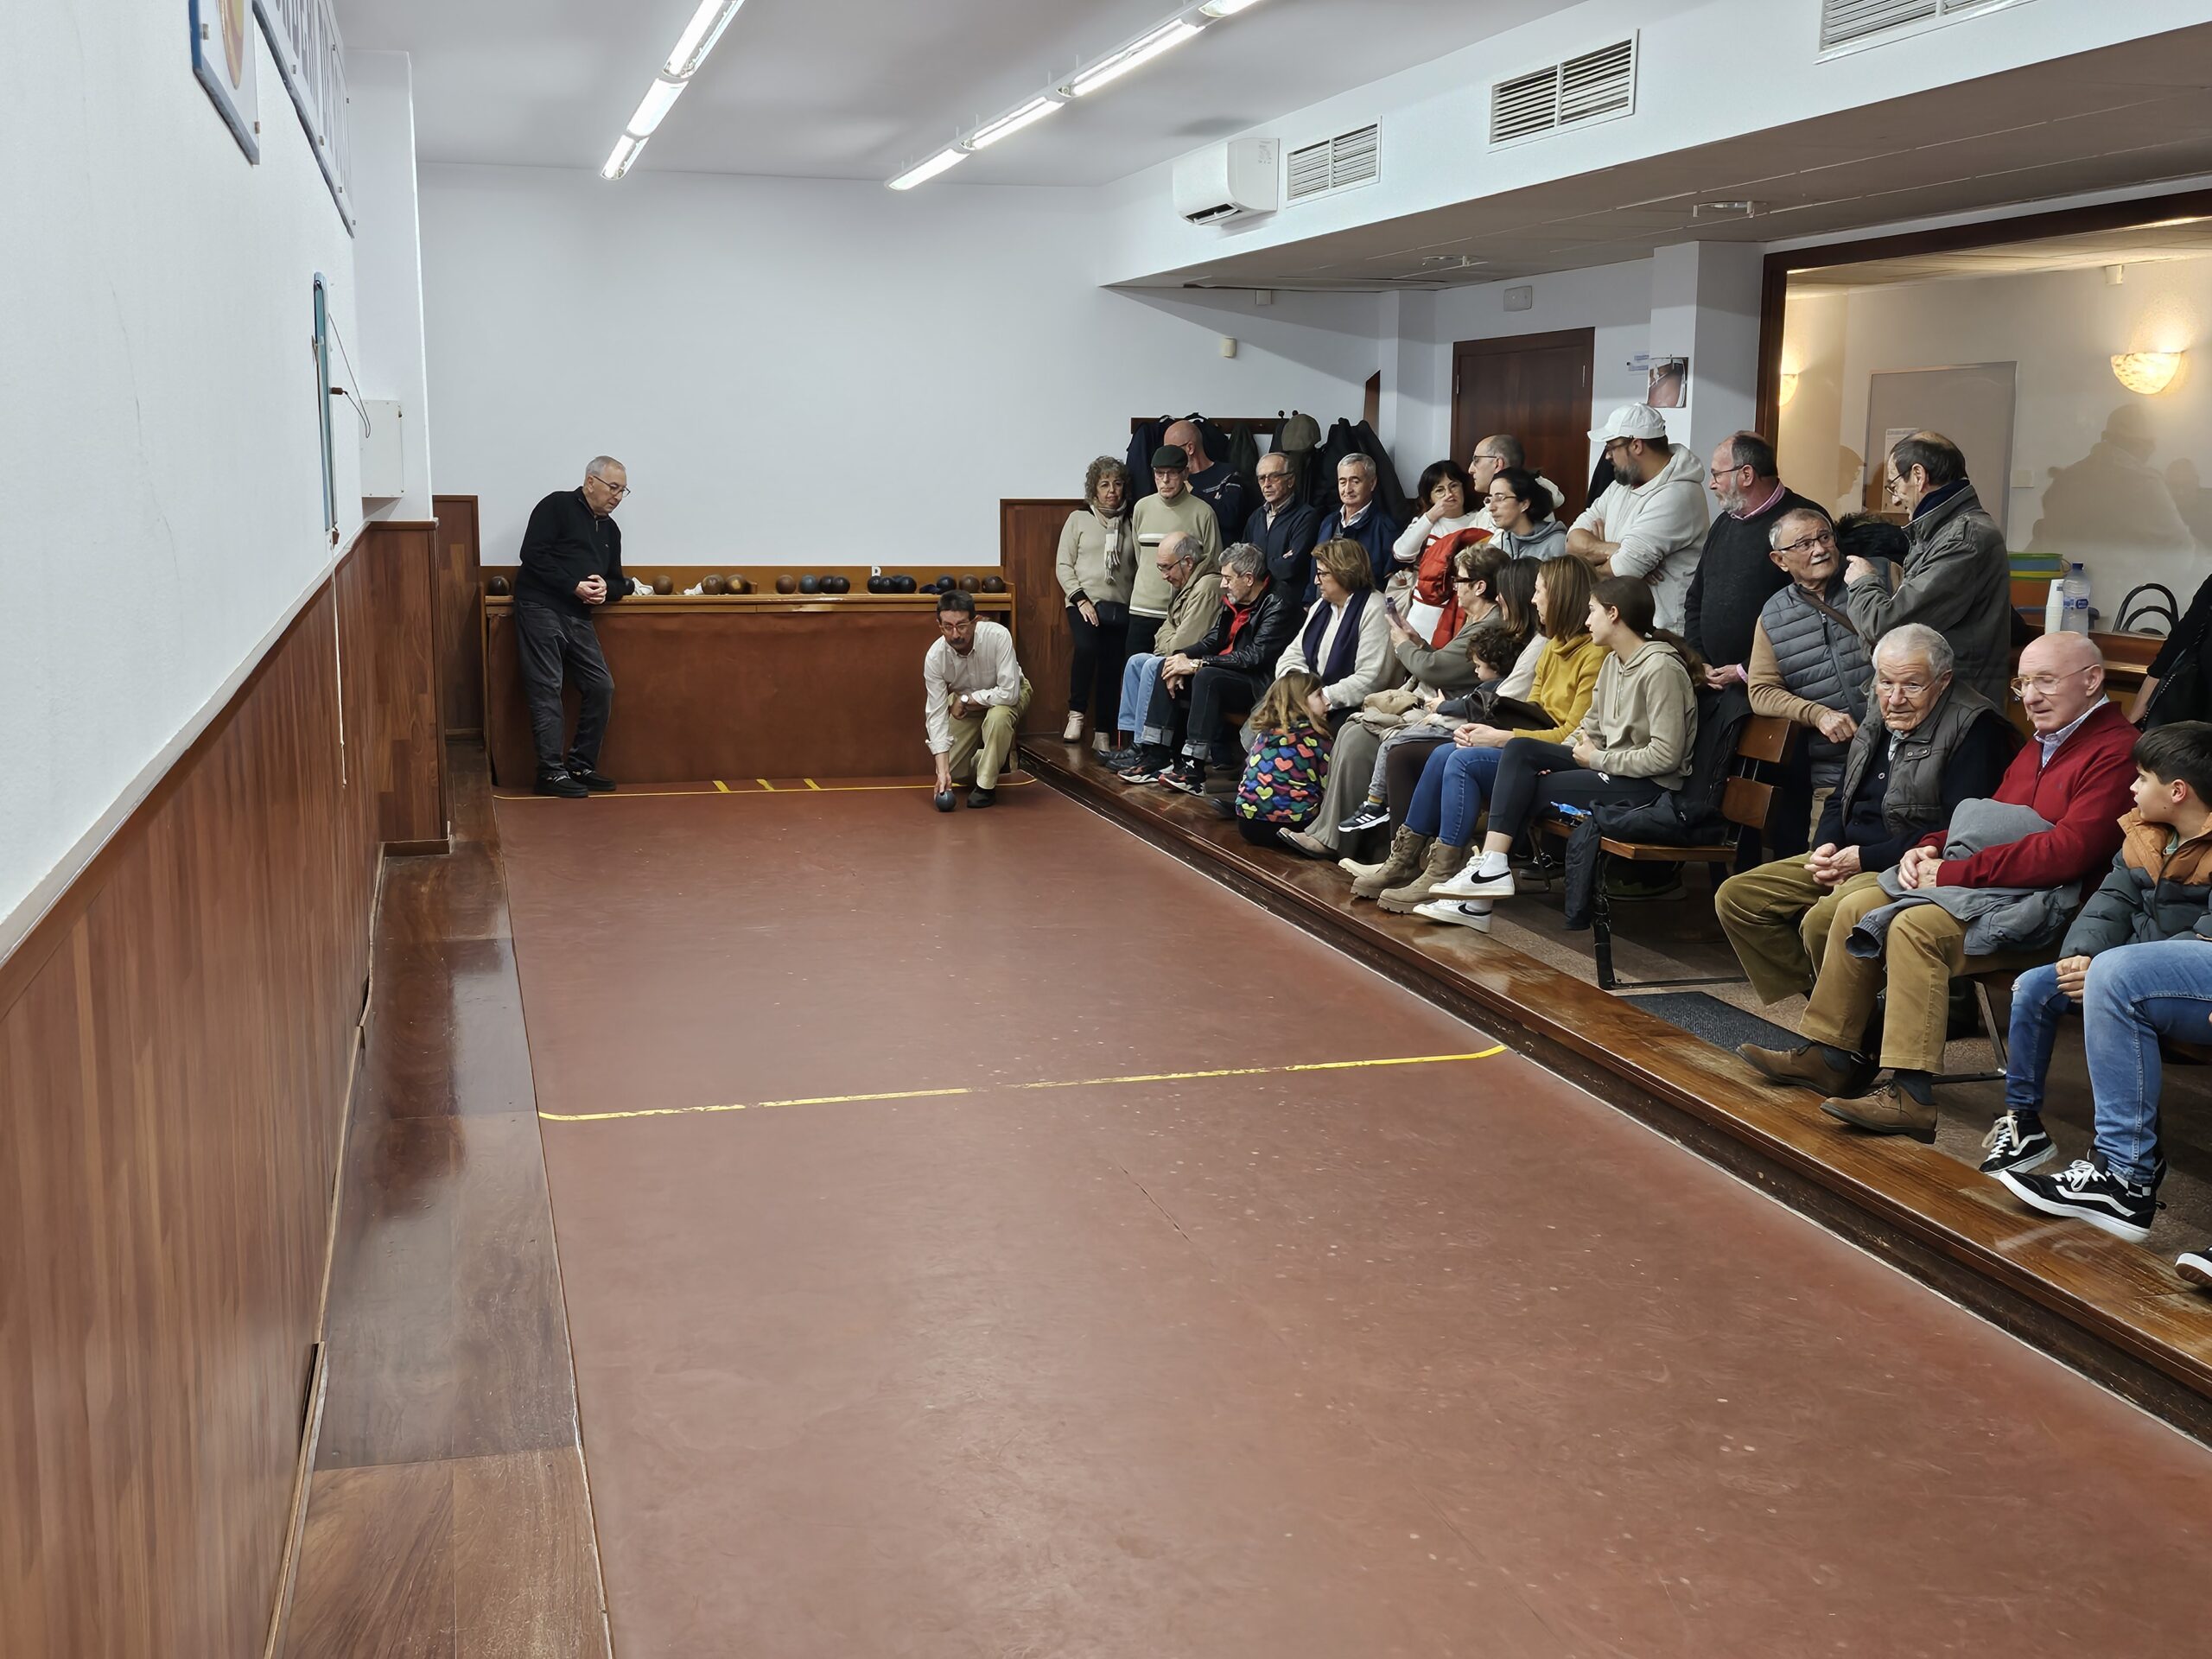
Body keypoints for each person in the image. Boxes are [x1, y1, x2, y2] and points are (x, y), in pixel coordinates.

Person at [1738, 632, 2139, 1141]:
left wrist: (1949, 872)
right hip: (1995, 891)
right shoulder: (2044, 740)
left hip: (2054, 910)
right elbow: (1981, 821)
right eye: (2023, 684)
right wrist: (1928, 848)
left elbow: (2068, 854)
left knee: (1913, 929)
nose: (2031, 698)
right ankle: (1833, 1054)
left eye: (2046, 681)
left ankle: (1911, 1094)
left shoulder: (2117, 751)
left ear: (2093, 680)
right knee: (1852, 907)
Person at [1978, 722, 2212, 1244]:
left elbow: (2204, 938)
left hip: (2186, 979)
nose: (2132, 787)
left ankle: (2125, 1172)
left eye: (2143, 777)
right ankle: (2023, 1124)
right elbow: (2112, 901)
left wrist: (2112, 970)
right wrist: (2081, 956)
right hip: (2135, 966)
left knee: (2115, 977)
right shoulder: (2145, 832)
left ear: (2178, 791)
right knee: (2037, 985)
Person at [1714, 624, 2016, 1007]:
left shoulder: (1975, 728)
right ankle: (1837, 1005)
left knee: (1823, 920)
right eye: (1885, 682)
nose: (1895, 698)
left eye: (1912, 685)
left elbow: (1957, 831)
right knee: (1738, 898)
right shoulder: (1879, 712)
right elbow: (1842, 794)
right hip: (1848, 854)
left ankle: (1843, 1017)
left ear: (1943, 681)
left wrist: (1864, 859)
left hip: (1903, 866)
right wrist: (1825, 846)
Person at [1409, 576, 1700, 926]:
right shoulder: (1614, 662)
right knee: (1521, 750)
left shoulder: (1661, 668)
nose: (1587, 620)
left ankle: (1479, 900)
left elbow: (1666, 757)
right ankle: (1490, 871)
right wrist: (1556, 758)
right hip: (1610, 769)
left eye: (1592, 611)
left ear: (1613, 614)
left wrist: (1597, 759)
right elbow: (1588, 728)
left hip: (1648, 788)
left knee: (1528, 787)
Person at [1281, 550, 1533, 861]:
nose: (1454, 586)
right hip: (1436, 706)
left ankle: (1351, 843)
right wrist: (1418, 642)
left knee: (1358, 737)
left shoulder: (1488, 625)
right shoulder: (1477, 620)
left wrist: (1403, 645)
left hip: (1450, 713)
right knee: (1350, 730)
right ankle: (1335, 834)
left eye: (1459, 579)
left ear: (1479, 586)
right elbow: (1443, 662)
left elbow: (1436, 670)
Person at [1845, 432, 2012, 708]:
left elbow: (1887, 626)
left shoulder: (1963, 539)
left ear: (1918, 476)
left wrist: (1863, 582)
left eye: (1894, 485)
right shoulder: (1943, 531)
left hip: (1951, 706)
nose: (1895, 500)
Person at [1743, 508, 1877, 849]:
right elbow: (1761, 691)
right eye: (1804, 544)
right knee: (1822, 861)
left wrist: (1868, 585)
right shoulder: (1773, 616)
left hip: (1898, 759)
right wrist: (1817, 714)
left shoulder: (1874, 579)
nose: (1819, 549)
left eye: (1824, 537)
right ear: (1780, 560)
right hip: (1832, 772)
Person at [1122, 543, 1298, 796]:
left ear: (1249, 579)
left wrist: (1197, 664)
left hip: (1258, 684)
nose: (1223, 584)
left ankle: (1193, 770)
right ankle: (1157, 756)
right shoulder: (1236, 597)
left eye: (1228, 578)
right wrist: (1182, 657)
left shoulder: (1278, 602)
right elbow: (1213, 639)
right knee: (1167, 664)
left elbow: (1254, 657)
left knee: (1206, 676)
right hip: (1226, 672)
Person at [516, 456, 629, 798]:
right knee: (547, 687)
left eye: (623, 491)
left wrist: (608, 589)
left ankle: (581, 765)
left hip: (579, 614)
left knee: (601, 687)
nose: (617, 497)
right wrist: (573, 585)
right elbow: (532, 555)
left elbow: (618, 581)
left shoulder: (610, 530)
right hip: (540, 606)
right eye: (613, 488)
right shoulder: (557, 505)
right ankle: (550, 773)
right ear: (590, 482)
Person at [1685, 432, 1824, 686]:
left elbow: (1814, 610)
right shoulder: (1723, 524)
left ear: (1746, 475)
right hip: (1715, 684)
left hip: (1775, 685)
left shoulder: (1804, 522)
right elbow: (1696, 598)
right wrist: (1698, 659)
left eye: (1717, 475)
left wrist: (1745, 670)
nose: (1712, 484)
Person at [1568, 404, 1709, 631]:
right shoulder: (1620, 486)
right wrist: (1617, 549)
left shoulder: (1678, 493)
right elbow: (1571, 542)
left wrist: (1596, 559)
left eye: (1611, 447)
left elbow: (1621, 571)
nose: (1607, 456)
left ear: (1636, 445)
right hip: (1623, 626)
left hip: (1662, 632)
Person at [1106, 533, 1221, 772]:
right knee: (1136, 661)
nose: (1164, 575)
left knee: (1153, 664)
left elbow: (1185, 642)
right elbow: (1165, 631)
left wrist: (1169, 642)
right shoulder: (1183, 583)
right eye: (1160, 568)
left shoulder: (1206, 587)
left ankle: (1152, 751)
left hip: (1197, 663)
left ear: (1188, 562)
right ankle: (1135, 744)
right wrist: (1168, 641)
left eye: (1167, 567)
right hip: (1178, 655)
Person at [925, 590, 1031, 809]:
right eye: (948, 627)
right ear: (939, 626)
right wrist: (943, 773)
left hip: (1008, 695)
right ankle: (993, 757)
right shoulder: (935, 657)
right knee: (953, 769)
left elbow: (1009, 693)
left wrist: (966, 698)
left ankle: (985, 788)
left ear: (975, 621)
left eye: (962, 625)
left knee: (998, 717)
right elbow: (936, 716)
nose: (955, 634)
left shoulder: (998, 636)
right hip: (968, 705)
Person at [1056, 456, 1135, 746]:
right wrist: (1081, 599)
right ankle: (1076, 715)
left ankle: (1103, 731)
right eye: (1104, 484)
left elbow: (1139, 566)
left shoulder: (1131, 521)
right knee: (1087, 648)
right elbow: (1063, 564)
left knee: (1113, 666)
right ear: (1094, 490)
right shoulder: (1078, 519)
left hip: (1120, 607)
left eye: (1117, 483)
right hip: (1083, 602)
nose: (1112, 490)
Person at [1274, 538, 1394, 725]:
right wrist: (1298, 687)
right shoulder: (1320, 606)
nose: (1316, 581)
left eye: (1322, 574)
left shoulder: (1375, 608)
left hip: (1352, 708)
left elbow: (1372, 678)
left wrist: (1321, 698)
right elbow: (1293, 654)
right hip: (1309, 699)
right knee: (1265, 719)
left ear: (1345, 573)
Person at [1126, 444, 1223, 659]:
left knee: (1171, 674)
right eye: (1159, 474)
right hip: (1143, 608)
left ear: (1185, 473)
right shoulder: (1142, 508)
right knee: (1135, 669)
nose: (1165, 480)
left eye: (1172, 473)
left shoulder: (1203, 513)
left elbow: (1213, 564)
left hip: (1183, 612)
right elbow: (1140, 556)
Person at [1231, 671, 1332, 847]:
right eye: (1319, 695)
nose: (1327, 701)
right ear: (1300, 703)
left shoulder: (1263, 735)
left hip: (1247, 824)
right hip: (1293, 826)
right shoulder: (1317, 739)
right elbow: (1330, 788)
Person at [1391, 459, 1484, 642]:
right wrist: (1432, 515)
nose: (1449, 494)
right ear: (1430, 498)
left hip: (1462, 612)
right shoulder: (1426, 523)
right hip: (1424, 612)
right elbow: (1401, 553)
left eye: (1454, 486)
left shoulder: (1479, 520)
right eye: (1439, 490)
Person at [1319, 454, 1402, 594]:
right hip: (1323, 602)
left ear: (1372, 483)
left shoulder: (1386, 528)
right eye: (1342, 482)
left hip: (1364, 603)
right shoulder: (1328, 522)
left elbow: (1388, 580)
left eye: (1355, 482)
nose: (1347, 489)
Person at [1242, 449, 1321, 594]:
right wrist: (1275, 561)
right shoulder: (1256, 517)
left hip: (1288, 599)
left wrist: (1257, 564)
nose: (1267, 484)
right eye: (1262, 478)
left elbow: (1289, 568)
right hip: (1257, 599)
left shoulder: (1306, 516)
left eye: (1274, 477)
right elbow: (1242, 561)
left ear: (1290, 481)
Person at [1164, 419, 1246, 550]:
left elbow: (1229, 517)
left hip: (1221, 557)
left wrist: (1191, 490)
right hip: (1185, 556)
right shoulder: (1173, 482)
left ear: (1190, 448)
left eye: (1172, 450)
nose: (1168, 457)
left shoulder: (1229, 474)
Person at [1467, 435, 1565, 531]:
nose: (1470, 470)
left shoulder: (1530, 510)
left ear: (1497, 464)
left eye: (1476, 460)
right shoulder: (1484, 514)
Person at [1482, 465, 1569, 563]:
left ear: (1524, 504)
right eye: (1490, 499)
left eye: (1500, 498)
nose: (1491, 508)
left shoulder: (1557, 545)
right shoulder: (1499, 544)